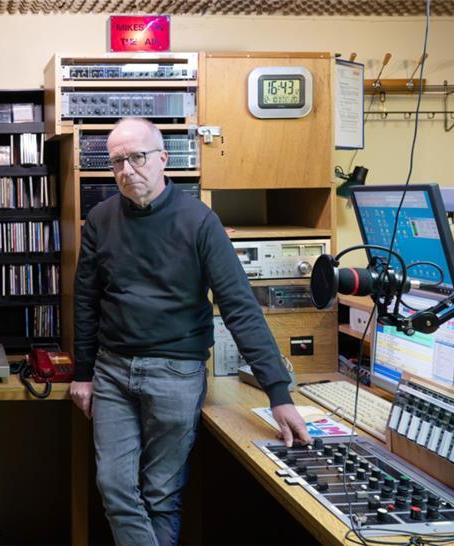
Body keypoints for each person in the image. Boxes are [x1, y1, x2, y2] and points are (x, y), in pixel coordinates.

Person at [69, 117, 311, 546]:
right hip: (112, 373)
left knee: (160, 495)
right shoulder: (100, 219)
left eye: (137, 157)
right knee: (115, 487)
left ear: (164, 159)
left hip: (176, 373)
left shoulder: (199, 221)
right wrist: (83, 372)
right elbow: (86, 301)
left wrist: (278, 391)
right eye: (117, 162)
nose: (127, 170)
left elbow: (239, 307)